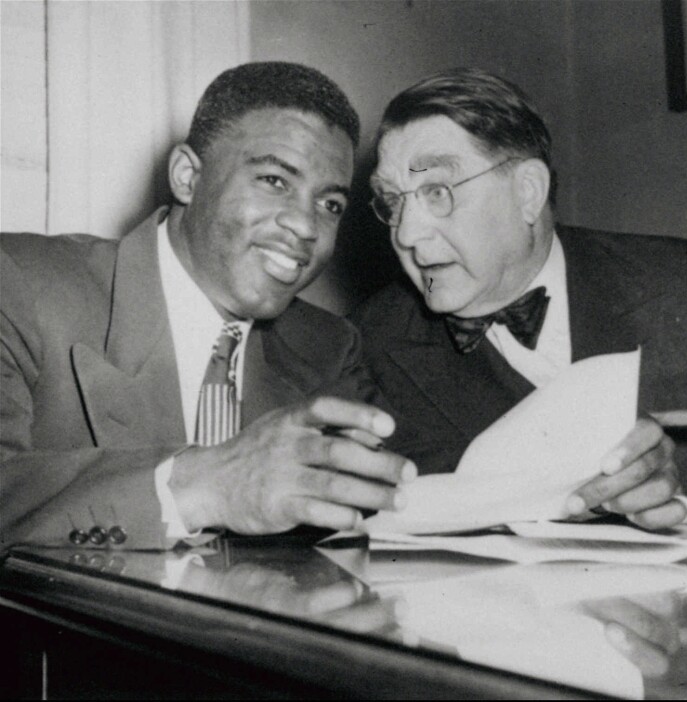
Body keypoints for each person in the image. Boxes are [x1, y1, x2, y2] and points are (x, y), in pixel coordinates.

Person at [354, 68, 687, 523]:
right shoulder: (366, 344)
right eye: (393, 201)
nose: (408, 233)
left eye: (437, 191)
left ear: (528, 192)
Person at [0, 62, 417, 551]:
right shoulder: (20, 284)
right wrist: (203, 485)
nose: (306, 227)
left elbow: (388, 510)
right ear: (187, 176)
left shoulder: (329, 346)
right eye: (274, 181)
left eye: (330, 205)